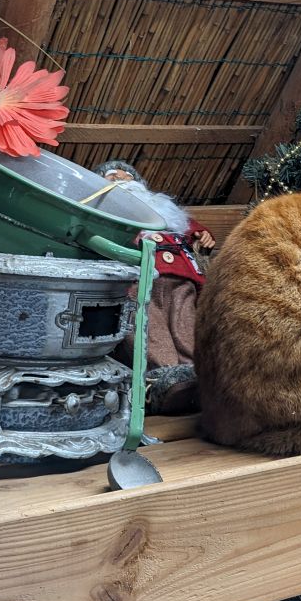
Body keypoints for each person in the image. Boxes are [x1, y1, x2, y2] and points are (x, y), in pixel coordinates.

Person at [94, 160, 213, 414]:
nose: (121, 180)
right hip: (136, 277)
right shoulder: (105, 210)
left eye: (127, 176)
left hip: (179, 276)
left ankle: (198, 379)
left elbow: (191, 228)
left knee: (185, 322)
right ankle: (163, 382)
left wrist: (203, 235)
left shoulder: (164, 210)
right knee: (146, 324)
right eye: (112, 176)